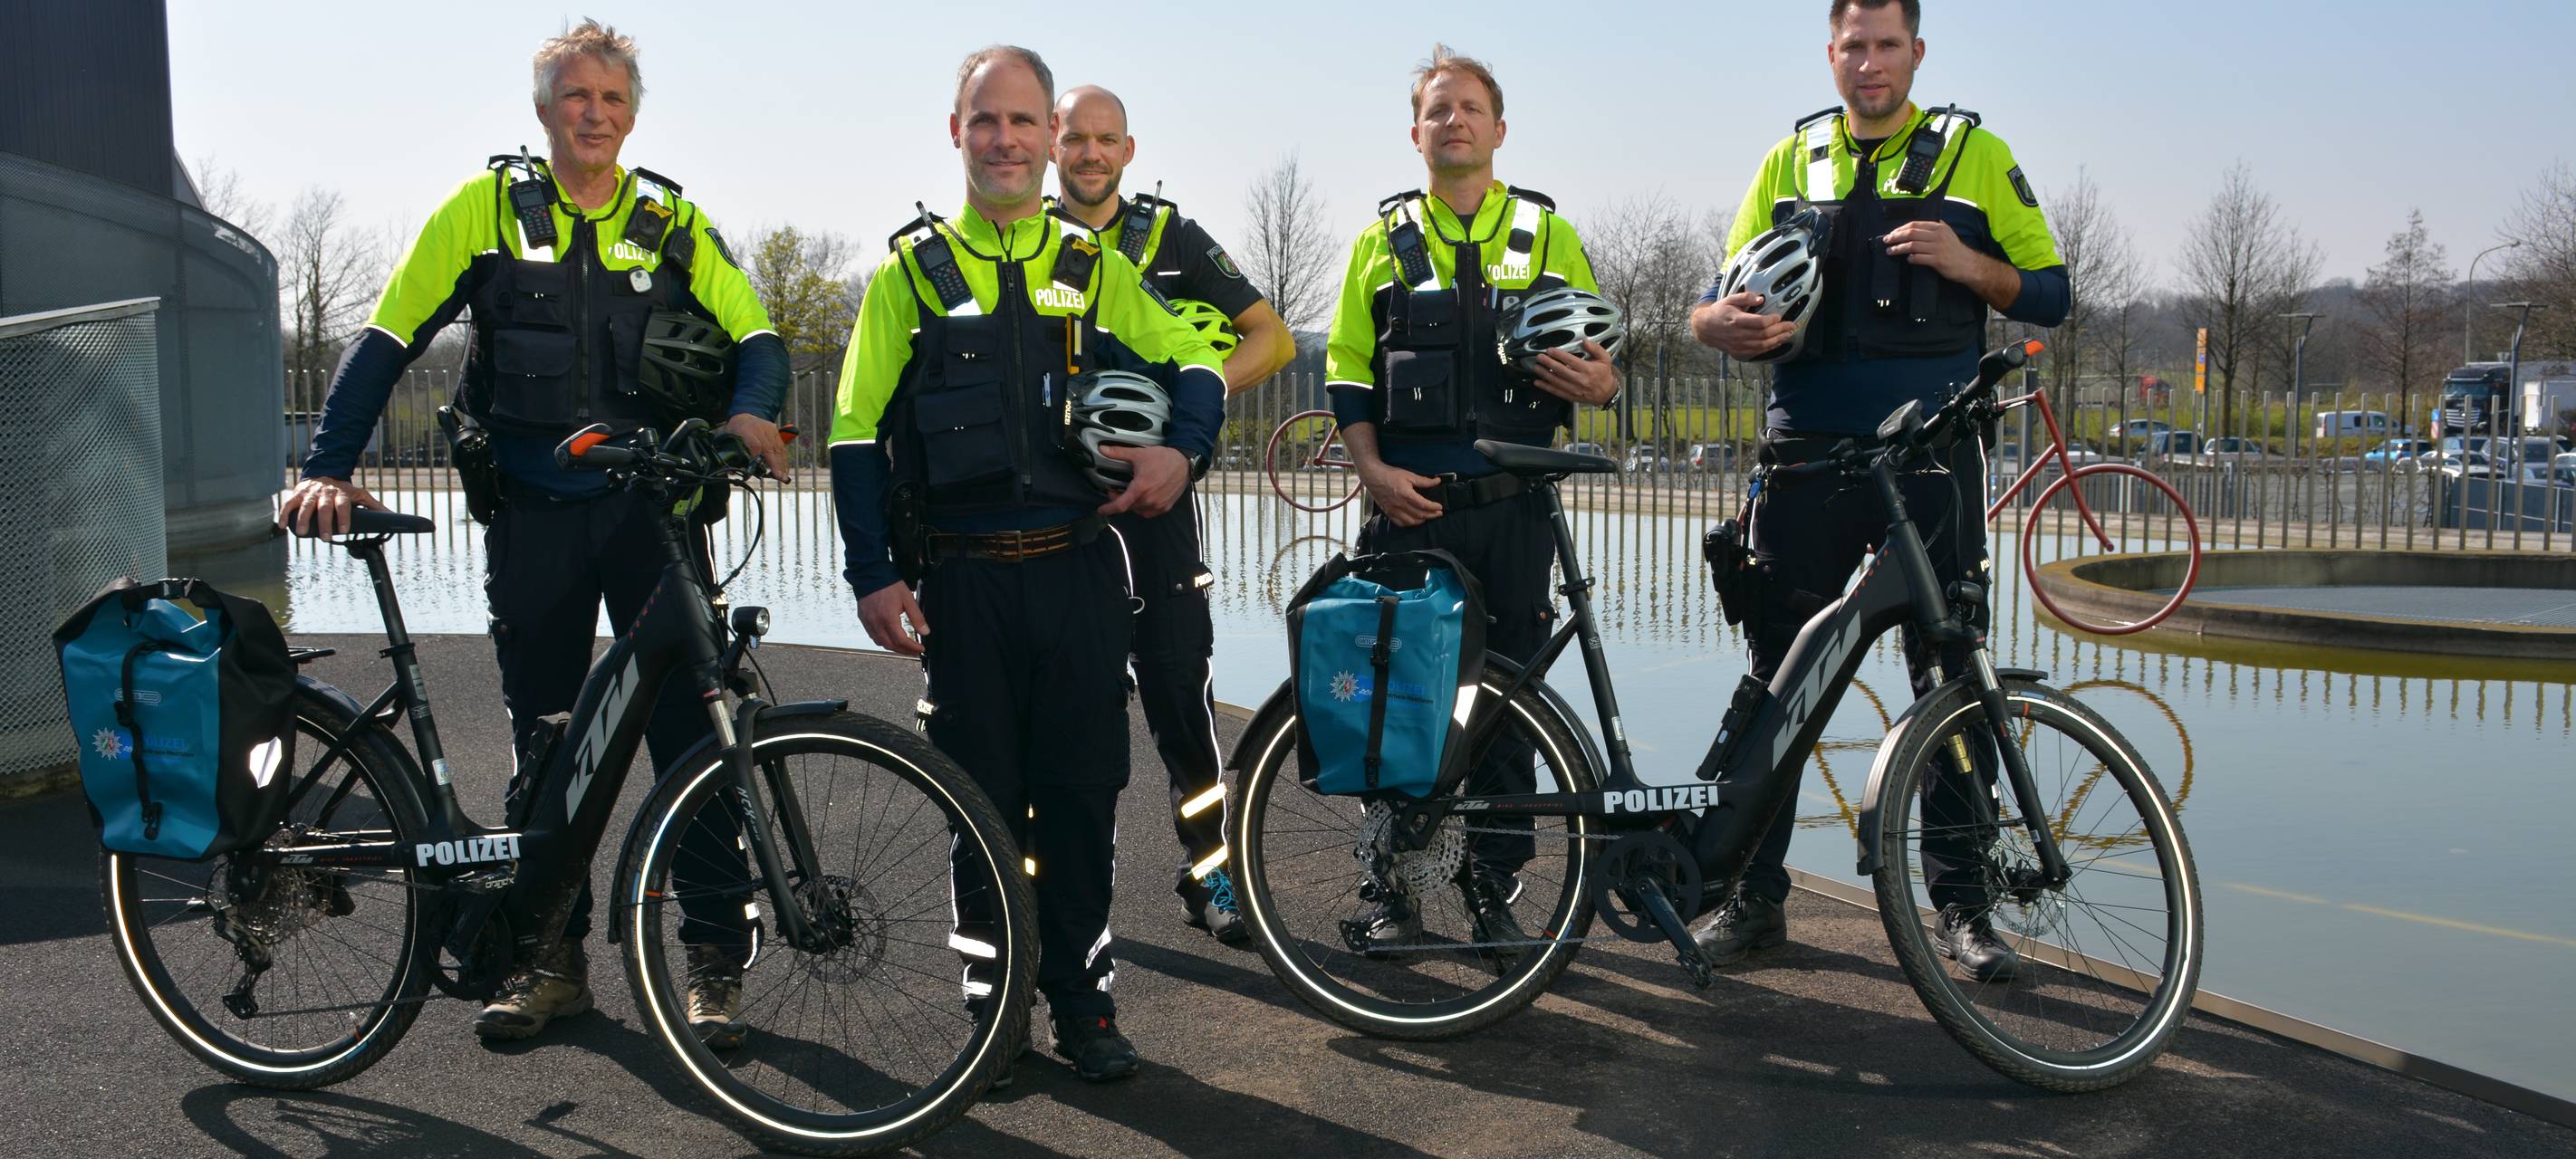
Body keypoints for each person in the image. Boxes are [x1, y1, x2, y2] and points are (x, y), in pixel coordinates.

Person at [275, 20, 792, 1044]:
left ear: (632, 113)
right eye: (573, 97)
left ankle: (709, 963)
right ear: (543, 109)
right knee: (546, 740)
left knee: (695, 736)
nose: (592, 114)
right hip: (534, 517)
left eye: (610, 99)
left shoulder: (673, 219)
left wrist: (750, 412)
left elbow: (761, 336)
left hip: (654, 520)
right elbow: (386, 339)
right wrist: (327, 464)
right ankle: (547, 961)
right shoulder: (483, 211)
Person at [826, 45, 1226, 1083]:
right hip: (962, 584)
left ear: (1053, 138)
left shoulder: (1096, 269)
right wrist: (872, 571)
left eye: (1022, 122)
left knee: (1083, 795)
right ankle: (992, 1012)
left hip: (1081, 576)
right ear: (956, 133)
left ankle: (1084, 1005)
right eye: (985, 120)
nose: (1005, 140)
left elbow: (1196, 360)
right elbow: (856, 434)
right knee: (983, 805)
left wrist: (1183, 449)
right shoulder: (906, 277)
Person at [1688, 0, 2069, 980]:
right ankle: (1753, 897)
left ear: (1916, 53)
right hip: (1806, 457)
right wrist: (1715, 325)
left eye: (1886, 45)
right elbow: (1721, 295)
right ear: (1831, 54)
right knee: (1782, 681)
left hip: (1931, 459)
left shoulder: (1975, 154)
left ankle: (1966, 910)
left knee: (1946, 682)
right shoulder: (1788, 160)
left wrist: (1971, 263)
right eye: (1852, 47)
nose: (1869, 63)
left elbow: (2053, 294)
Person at [1322, 45, 1620, 962]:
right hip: (1406, 508)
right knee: (1398, 705)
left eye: (1469, 108)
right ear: (1416, 132)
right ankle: (1396, 891)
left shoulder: (1548, 233)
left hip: (1513, 513)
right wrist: (1371, 472)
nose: (1454, 121)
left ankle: (1495, 893)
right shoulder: (1377, 243)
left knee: (1509, 711)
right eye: (1437, 110)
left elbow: (1602, 362)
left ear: (1498, 127)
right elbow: (1347, 373)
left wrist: (1603, 383)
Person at [1048, 83, 1297, 945]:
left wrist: (1196, 394)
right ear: (1051, 145)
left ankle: (1211, 876)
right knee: (1058, 724)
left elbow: (1273, 336)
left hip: (1159, 511)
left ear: (1128, 149)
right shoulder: (1022, 243)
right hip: (1056, 513)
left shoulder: (1171, 237)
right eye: (1074, 137)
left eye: (1104, 139)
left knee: (1183, 713)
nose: (1089, 153)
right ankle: (1047, 897)